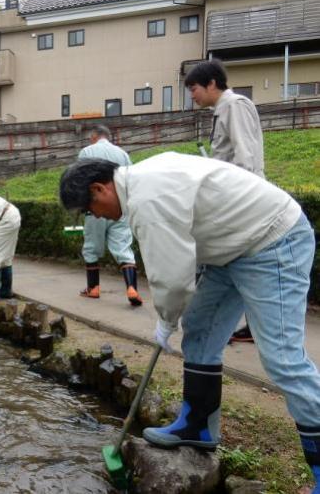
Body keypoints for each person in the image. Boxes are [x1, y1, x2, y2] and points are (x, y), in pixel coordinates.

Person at [59, 153, 319, 494]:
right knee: (198, 328)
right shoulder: (141, 184)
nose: (96, 217)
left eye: (90, 210)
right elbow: (185, 251)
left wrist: (166, 321)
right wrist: (176, 318)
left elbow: (173, 278)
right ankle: (199, 427)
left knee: (283, 360)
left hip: (272, 240)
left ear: (100, 188)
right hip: (231, 249)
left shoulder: (147, 197)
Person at [186, 59, 265, 343]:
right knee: (233, 267)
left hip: (242, 202)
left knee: (243, 267)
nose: (192, 95)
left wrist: (237, 203)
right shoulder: (222, 111)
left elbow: (246, 158)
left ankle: (250, 328)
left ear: (211, 84)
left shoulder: (235, 105)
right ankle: (238, 326)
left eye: (194, 88)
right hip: (231, 200)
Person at [77, 124, 142, 306]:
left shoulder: (86, 152)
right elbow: (131, 180)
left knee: (91, 247)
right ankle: (132, 288)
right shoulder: (122, 154)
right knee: (123, 247)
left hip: (96, 207)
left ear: (94, 136)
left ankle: (94, 288)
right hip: (119, 207)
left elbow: (80, 180)